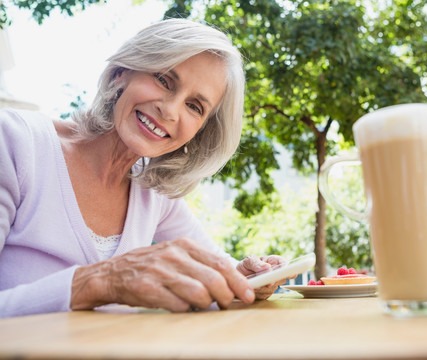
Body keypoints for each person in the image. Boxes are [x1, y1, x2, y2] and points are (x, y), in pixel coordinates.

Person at [0, 18, 288, 318]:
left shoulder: (155, 193)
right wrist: (97, 283)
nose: (170, 110)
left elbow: (221, 270)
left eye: (194, 106)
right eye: (164, 79)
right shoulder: (15, 143)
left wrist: (250, 276)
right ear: (121, 74)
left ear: (199, 132)